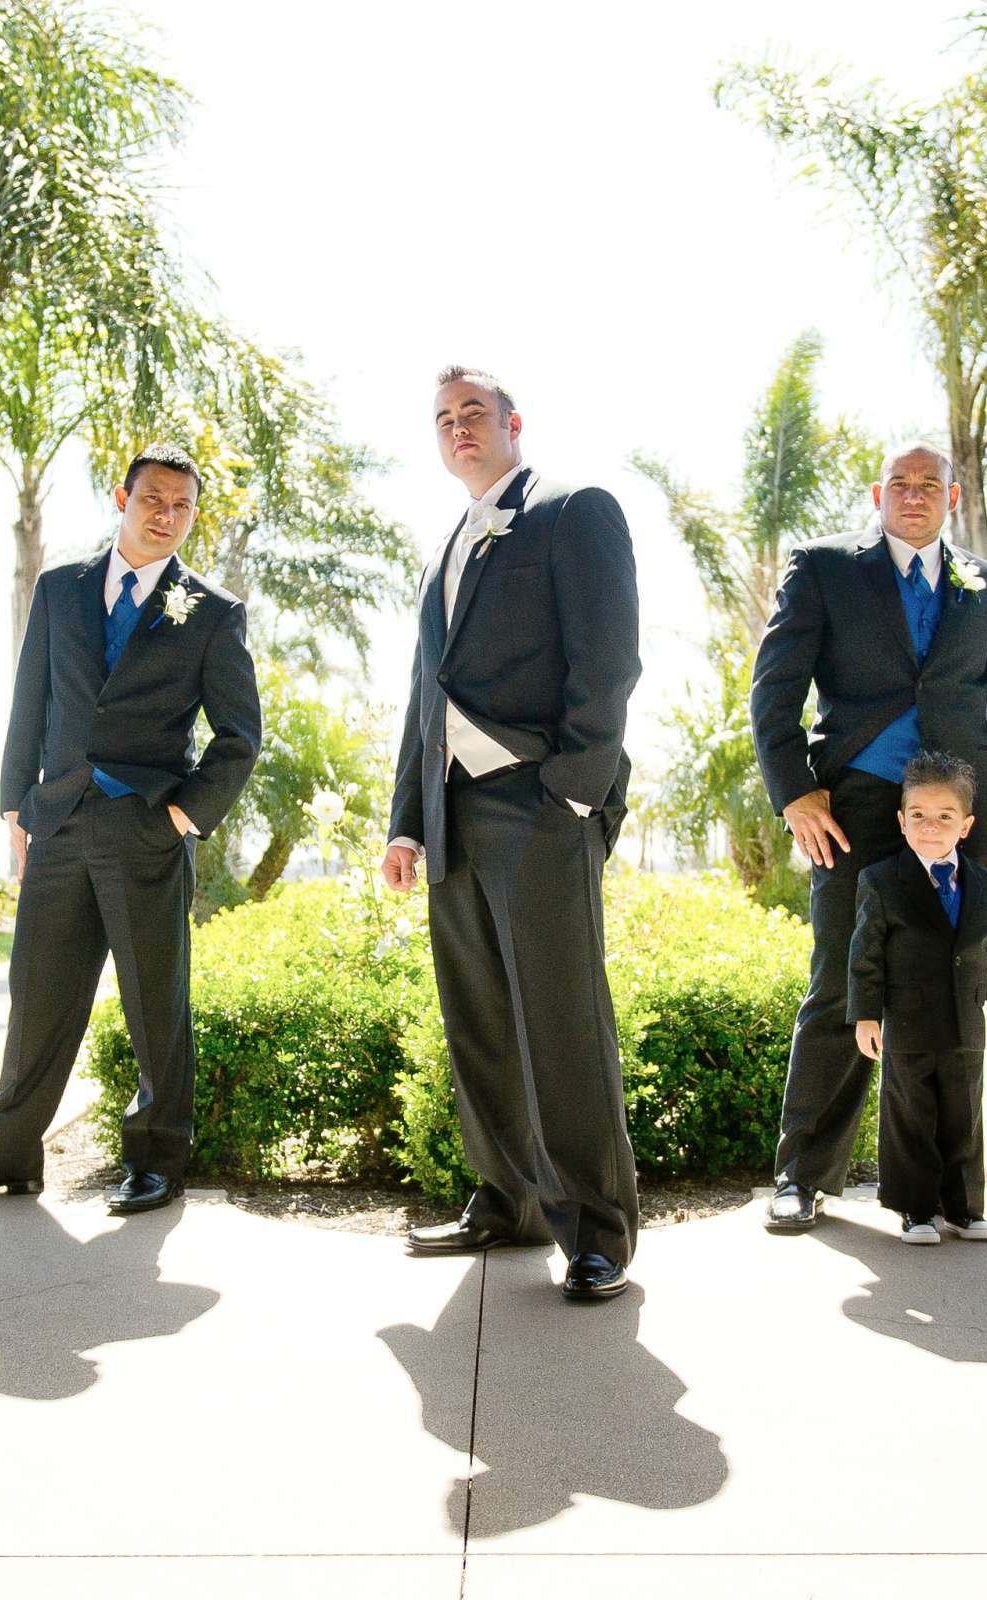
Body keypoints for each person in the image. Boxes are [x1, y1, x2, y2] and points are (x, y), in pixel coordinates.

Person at [0, 443, 261, 1213]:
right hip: (59, 822)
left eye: (182, 507)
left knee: (153, 1003)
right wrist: (15, 801)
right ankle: (5, 1156)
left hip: (145, 830)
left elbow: (240, 736)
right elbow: (29, 697)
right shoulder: (60, 588)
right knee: (37, 997)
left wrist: (181, 816)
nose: (166, 517)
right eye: (153, 501)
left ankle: (157, 1163)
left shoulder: (212, 611)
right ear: (121, 498)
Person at [382, 365, 642, 1303]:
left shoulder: (575, 511)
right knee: (481, 1022)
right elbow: (425, 698)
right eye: (444, 418)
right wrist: (407, 823)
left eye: (474, 413)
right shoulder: (445, 546)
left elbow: (609, 660)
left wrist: (574, 792)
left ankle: (600, 1232)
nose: (459, 428)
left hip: (538, 807)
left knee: (563, 1027)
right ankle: (508, 1203)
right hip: (454, 815)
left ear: (513, 423)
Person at [748, 442, 987, 1232]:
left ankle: (951, 1189)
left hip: (959, 810)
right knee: (844, 977)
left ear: (953, 495)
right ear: (879, 494)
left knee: (952, 993)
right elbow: (773, 691)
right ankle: (802, 1175)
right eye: (900, 484)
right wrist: (795, 794)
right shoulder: (824, 567)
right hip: (858, 804)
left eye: (930, 485)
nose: (914, 495)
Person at [847, 751, 987, 1245]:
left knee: (964, 1114)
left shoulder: (980, 882)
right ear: (902, 821)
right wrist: (865, 1016)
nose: (931, 827)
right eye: (920, 816)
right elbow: (865, 956)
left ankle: (965, 1209)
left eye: (944, 816)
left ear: (965, 826)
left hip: (965, 1021)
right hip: (907, 1023)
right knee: (911, 1115)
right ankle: (916, 1210)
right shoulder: (881, 880)